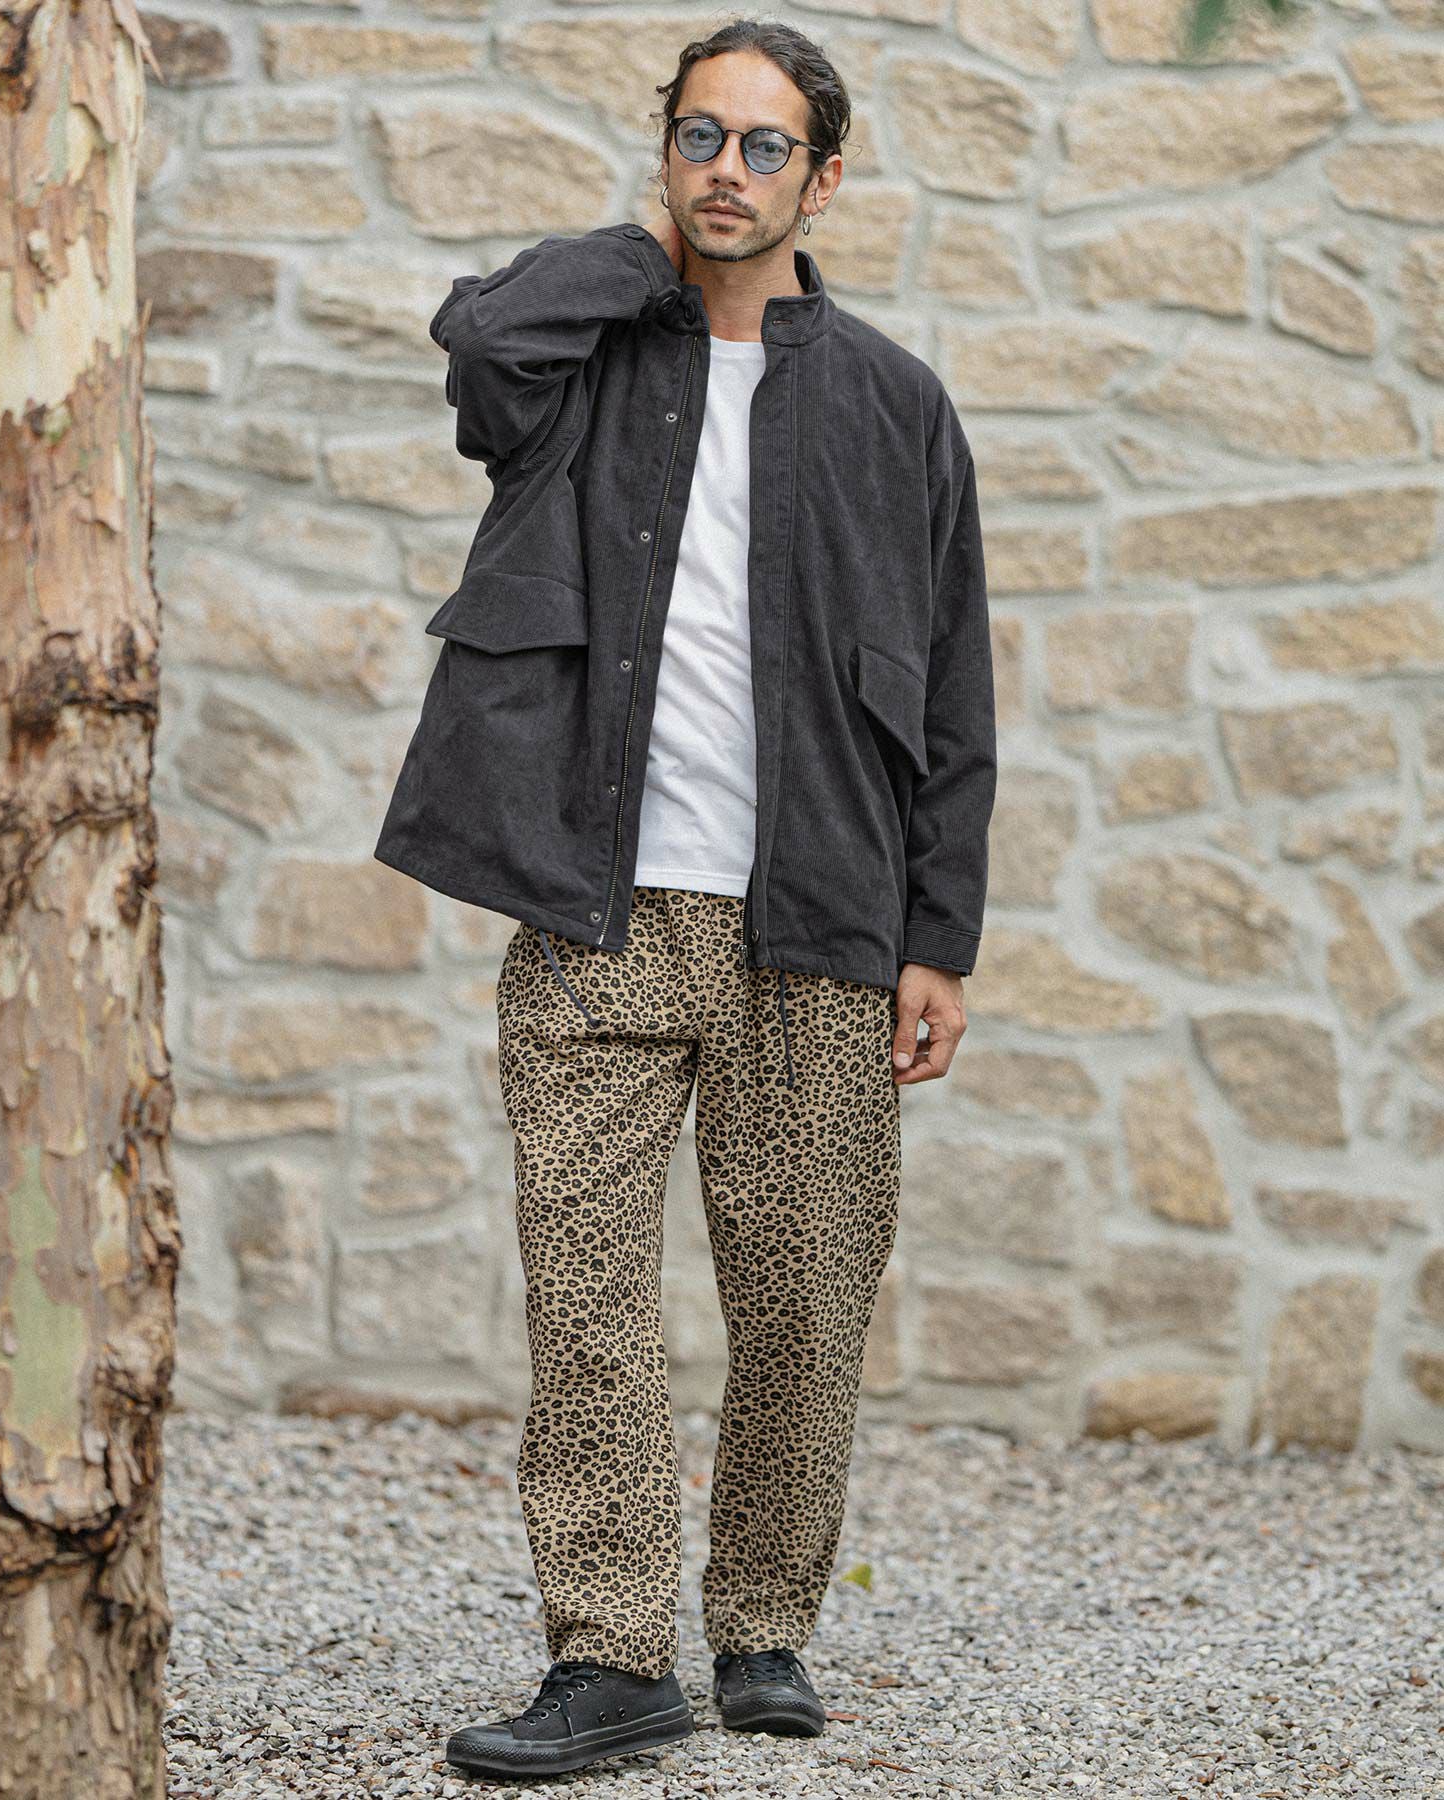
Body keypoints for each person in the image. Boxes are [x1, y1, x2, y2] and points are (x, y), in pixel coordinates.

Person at [373, 16, 997, 1780]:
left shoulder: (895, 404)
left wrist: (940, 936)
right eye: (701, 137)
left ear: (827, 177)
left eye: (766, 145)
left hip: (820, 915)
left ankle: (764, 1625)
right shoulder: (577, 362)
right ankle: (609, 1653)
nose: (731, 171)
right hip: (598, 906)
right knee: (584, 1300)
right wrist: (647, 250)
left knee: (804, 1297)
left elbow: (956, 688)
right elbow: (479, 342)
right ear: (665, 153)